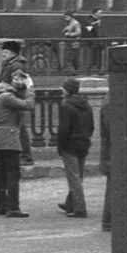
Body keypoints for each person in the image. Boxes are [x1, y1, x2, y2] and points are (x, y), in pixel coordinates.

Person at [0, 69, 33, 218]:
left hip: (0, 137)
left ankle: (1, 205)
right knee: (13, 173)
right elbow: (29, 104)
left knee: (2, 173)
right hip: (9, 137)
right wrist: (30, 87)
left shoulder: (0, 94)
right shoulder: (7, 97)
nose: (18, 81)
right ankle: (13, 207)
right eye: (15, 78)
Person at [56, 77, 94, 218]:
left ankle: (79, 208)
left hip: (70, 145)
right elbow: (91, 126)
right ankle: (70, 203)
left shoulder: (66, 106)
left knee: (74, 178)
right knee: (78, 176)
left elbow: (63, 130)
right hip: (83, 143)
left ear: (67, 90)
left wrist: (60, 146)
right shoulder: (87, 105)